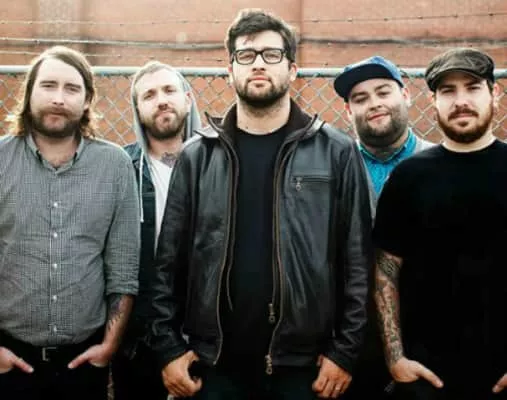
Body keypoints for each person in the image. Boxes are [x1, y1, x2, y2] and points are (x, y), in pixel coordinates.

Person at [148, 8, 373, 400]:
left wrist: (345, 352)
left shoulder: (335, 152)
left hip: (306, 367)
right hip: (215, 366)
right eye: (246, 55)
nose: (258, 64)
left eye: (271, 55)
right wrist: (168, 348)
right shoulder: (198, 156)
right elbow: (168, 262)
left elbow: (358, 261)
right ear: (230, 69)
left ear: (292, 69)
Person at [0, 46, 140, 400]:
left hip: (84, 363)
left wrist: (108, 347)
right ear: (29, 92)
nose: (59, 98)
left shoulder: (115, 165)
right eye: (48, 85)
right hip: (8, 358)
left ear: (88, 99)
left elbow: (123, 266)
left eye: (72, 88)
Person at [373, 47, 507, 400]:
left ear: (495, 93)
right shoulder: (409, 177)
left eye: (472, 87)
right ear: (433, 101)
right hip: (426, 378)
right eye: (448, 91)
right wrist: (395, 358)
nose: (461, 101)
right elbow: (386, 270)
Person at [333, 55, 433, 399]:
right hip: (352, 340)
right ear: (349, 111)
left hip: (425, 334)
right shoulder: (334, 169)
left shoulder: (439, 164)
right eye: (360, 98)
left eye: (383, 92)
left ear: (406, 95)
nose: (374, 103)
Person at [111, 61, 201, 400]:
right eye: (149, 95)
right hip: (140, 341)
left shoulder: (220, 161)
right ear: (137, 109)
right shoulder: (122, 168)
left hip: (207, 337)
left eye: (169, 90)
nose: (161, 100)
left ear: (187, 100)